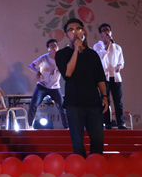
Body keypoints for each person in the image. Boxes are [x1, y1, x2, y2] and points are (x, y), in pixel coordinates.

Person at [55, 18, 108, 158]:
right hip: (74, 104)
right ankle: (80, 169)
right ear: (66, 34)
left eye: (78, 29)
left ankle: (96, 166)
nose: (75, 32)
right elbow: (68, 73)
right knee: (78, 142)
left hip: (93, 102)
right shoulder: (61, 54)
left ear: (83, 32)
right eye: (71, 30)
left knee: (98, 139)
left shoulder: (92, 54)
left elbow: (100, 77)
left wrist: (104, 96)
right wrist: (76, 51)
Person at [27, 39, 68, 129]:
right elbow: (31, 65)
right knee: (33, 104)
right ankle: (29, 126)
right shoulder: (44, 58)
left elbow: (66, 69)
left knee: (62, 107)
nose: (54, 48)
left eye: (55, 46)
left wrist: (57, 70)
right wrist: (37, 71)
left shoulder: (61, 58)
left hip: (55, 86)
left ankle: (66, 127)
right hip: (42, 85)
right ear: (48, 49)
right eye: (51, 46)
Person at [92, 23, 126, 129]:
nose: (106, 32)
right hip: (104, 78)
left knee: (118, 102)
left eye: (108, 30)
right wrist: (108, 44)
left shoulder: (117, 47)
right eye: (104, 30)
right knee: (105, 101)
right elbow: (100, 57)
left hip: (116, 77)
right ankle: (107, 123)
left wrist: (119, 66)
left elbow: (121, 62)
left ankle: (121, 123)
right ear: (100, 34)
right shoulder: (97, 46)